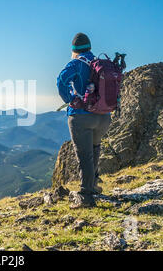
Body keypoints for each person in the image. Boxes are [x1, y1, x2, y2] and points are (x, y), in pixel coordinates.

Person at [57, 33, 111, 209]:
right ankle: (94, 186)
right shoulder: (100, 63)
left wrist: (70, 98)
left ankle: (86, 196)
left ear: (74, 50)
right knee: (95, 149)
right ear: (89, 46)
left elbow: (61, 80)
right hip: (103, 117)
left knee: (84, 156)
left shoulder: (76, 63)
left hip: (81, 116)